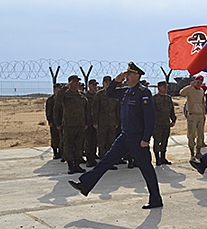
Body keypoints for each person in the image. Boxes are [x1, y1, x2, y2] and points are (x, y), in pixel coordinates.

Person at [68, 62, 163, 209]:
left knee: (146, 169)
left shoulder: (143, 93)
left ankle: (156, 199)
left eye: (129, 74)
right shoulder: (125, 91)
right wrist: (116, 81)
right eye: (126, 73)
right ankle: (85, 184)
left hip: (138, 138)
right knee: (106, 160)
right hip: (125, 136)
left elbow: (150, 118)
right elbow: (109, 93)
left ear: (137, 76)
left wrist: (146, 138)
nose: (127, 76)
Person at [54, 75, 88, 174]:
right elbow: (58, 99)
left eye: (77, 81)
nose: (76, 83)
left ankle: (77, 165)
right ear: (69, 82)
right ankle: (70, 166)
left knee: (78, 145)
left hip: (80, 124)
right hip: (69, 124)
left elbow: (86, 110)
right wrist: (65, 87)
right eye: (74, 81)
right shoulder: (65, 95)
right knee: (68, 145)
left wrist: (86, 122)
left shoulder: (81, 95)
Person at [93, 76, 120, 167]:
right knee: (101, 142)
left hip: (112, 122)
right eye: (106, 82)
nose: (108, 84)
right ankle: (102, 161)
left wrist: (117, 122)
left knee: (111, 143)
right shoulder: (99, 94)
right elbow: (95, 109)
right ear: (103, 83)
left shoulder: (114, 94)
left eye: (109, 82)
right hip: (102, 122)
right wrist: (95, 122)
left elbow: (117, 109)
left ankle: (109, 162)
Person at [180, 74, 206, 160]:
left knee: (200, 134)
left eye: (200, 82)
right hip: (192, 115)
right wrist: (190, 86)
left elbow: (202, 103)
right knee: (191, 135)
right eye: (197, 81)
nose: (198, 83)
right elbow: (181, 92)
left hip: (200, 115)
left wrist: (203, 114)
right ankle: (192, 153)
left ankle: (198, 151)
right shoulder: (190, 90)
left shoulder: (201, 90)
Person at [153, 81, 176, 165]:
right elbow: (151, 111)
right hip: (157, 124)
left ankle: (163, 157)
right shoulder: (154, 98)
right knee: (157, 141)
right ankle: (157, 158)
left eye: (166, 87)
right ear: (159, 88)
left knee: (164, 141)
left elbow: (171, 110)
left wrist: (173, 120)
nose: (165, 88)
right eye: (163, 87)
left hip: (166, 123)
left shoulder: (168, 98)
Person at [84, 79, 99, 167]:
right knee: (88, 141)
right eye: (93, 85)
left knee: (94, 141)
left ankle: (93, 157)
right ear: (89, 86)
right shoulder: (85, 96)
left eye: (95, 85)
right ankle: (89, 159)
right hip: (88, 122)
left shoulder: (97, 96)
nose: (95, 87)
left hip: (96, 122)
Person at [46, 83, 62, 159]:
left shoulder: (61, 98)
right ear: (55, 89)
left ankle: (61, 152)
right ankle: (55, 152)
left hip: (61, 120)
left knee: (62, 137)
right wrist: (50, 121)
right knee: (55, 137)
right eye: (58, 88)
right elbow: (48, 111)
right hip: (54, 121)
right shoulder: (51, 99)